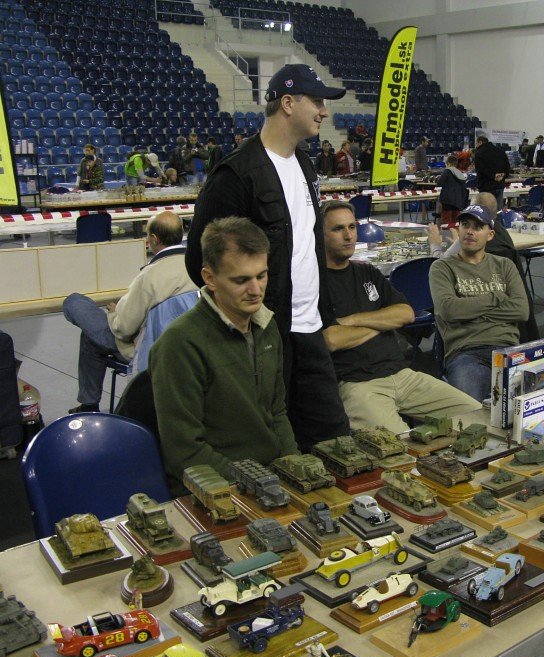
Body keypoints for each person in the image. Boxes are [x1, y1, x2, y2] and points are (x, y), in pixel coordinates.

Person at [186, 63, 350, 448]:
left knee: (335, 443)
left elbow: (305, 244)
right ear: (288, 103)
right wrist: (251, 314)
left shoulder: (305, 164)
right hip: (265, 338)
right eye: (317, 101)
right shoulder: (236, 173)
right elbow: (200, 264)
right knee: (270, 448)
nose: (324, 111)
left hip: (310, 330)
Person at [151, 216, 299, 484]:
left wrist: (294, 465)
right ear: (210, 278)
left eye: (261, 276)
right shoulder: (180, 343)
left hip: (268, 476)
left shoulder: (266, 326)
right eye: (241, 280)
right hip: (216, 485)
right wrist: (257, 482)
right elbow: (184, 451)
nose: (256, 290)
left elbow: (277, 413)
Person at [321, 201, 480, 432]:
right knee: (399, 447)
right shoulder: (315, 282)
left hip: (403, 375)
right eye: (338, 229)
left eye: (352, 227)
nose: (348, 236)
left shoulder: (366, 272)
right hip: (358, 385)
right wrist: (383, 322)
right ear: (320, 234)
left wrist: (353, 320)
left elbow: (405, 314)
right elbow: (332, 339)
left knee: (478, 418)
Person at [62, 212, 196, 413]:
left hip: (145, 349)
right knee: (90, 337)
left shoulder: (150, 276)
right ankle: (88, 405)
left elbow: (123, 328)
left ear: (154, 239)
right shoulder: (196, 266)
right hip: (185, 347)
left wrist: (114, 313)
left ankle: (89, 406)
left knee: (74, 302)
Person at [429, 204, 529, 401]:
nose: (469, 231)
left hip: (509, 350)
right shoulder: (442, 268)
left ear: (490, 235)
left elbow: (521, 310)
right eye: (465, 225)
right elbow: (449, 310)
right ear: (458, 229)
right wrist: (496, 297)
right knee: (469, 408)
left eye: (477, 227)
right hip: (467, 352)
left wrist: (469, 311)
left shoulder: (504, 265)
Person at [472, 135, 510, 209]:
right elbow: (507, 166)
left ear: (480, 142)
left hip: (486, 185)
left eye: (476, 143)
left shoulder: (479, 153)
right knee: (498, 209)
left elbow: (481, 169)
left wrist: (493, 176)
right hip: (500, 184)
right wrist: (503, 175)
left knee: (486, 210)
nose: (476, 146)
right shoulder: (500, 151)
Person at [436, 154, 468, 226]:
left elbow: (440, 183)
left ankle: (445, 232)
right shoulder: (460, 173)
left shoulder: (447, 171)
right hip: (458, 200)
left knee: (446, 220)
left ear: (448, 163)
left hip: (447, 200)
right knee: (456, 221)